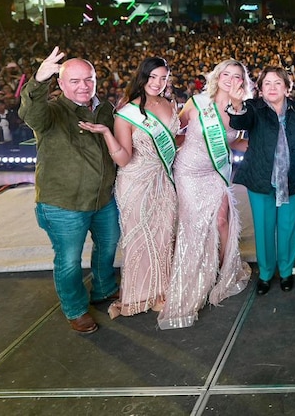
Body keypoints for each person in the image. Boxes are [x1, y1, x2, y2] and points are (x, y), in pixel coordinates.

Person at [21, 47, 120, 335]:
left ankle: (103, 288)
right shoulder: (51, 112)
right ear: (61, 84)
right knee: (68, 259)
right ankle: (76, 309)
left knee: (109, 245)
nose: (83, 86)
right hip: (63, 204)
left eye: (88, 79)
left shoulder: (105, 109)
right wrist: (38, 81)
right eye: (74, 81)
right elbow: (30, 113)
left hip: (102, 200)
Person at [80, 57, 178, 320]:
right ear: (142, 78)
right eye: (153, 77)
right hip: (135, 181)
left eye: (163, 78)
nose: (158, 83)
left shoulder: (170, 104)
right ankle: (140, 294)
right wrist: (106, 133)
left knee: (164, 234)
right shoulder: (127, 112)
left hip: (163, 179)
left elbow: (174, 140)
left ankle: (161, 291)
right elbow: (123, 158)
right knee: (140, 238)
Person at [159, 59, 253, 328]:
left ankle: (224, 270)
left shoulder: (241, 110)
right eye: (226, 74)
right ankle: (196, 272)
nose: (231, 79)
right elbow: (175, 133)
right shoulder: (197, 103)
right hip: (189, 172)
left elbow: (234, 141)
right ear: (217, 76)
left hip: (217, 171)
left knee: (222, 221)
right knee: (194, 226)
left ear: (243, 83)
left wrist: (266, 149)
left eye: (237, 76)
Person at [229, 65, 295, 295]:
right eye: (267, 83)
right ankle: (266, 274)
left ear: (287, 89)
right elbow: (240, 122)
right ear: (259, 89)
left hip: (293, 179)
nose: (272, 87)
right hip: (260, 180)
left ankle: (286, 271)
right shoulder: (253, 108)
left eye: (278, 83)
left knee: (288, 228)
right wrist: (237, 105)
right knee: (264, 228)